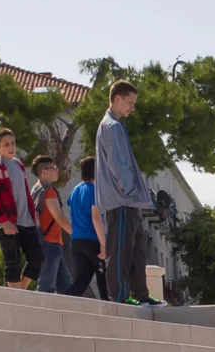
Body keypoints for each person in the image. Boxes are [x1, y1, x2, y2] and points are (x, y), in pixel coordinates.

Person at [95, 79, 160, 306]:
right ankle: (121, 297)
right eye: (129, 102)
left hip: (128, 201)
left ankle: (140, 294)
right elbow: (118, 163)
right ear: (116, 99)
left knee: (136, 248)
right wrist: (131, 190)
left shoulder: (115, 126)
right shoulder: (112, 127)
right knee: (120, 250)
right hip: (121, 200)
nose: (132, 107)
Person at [0, 127, 42, 290]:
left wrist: (32, 215)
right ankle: (17, 296)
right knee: (13, 262)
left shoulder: (18, 164)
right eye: (6, 144)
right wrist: (5, 221)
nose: (11, 147)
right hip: (8, 221)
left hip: (26, 219)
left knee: (37, 258)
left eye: (13, 143)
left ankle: (19, 292)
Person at [63, 155, 107, 298]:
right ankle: (108, 304)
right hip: (92, 239)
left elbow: (70, 203)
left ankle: (63, 303)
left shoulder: (76, 190)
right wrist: (103, 244)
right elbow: (96, 218)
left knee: (81, 281)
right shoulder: (94, 191)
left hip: (76, 240)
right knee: (103, 278)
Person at [29, 154, 72, 294]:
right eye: (53, 167)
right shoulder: (48, 190)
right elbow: (59, 217)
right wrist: (76, 234)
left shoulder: (35, 189)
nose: (57, 170)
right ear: (44, 172)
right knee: (46, 288)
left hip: (43, 242)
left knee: (66, 288)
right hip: (50, 243)